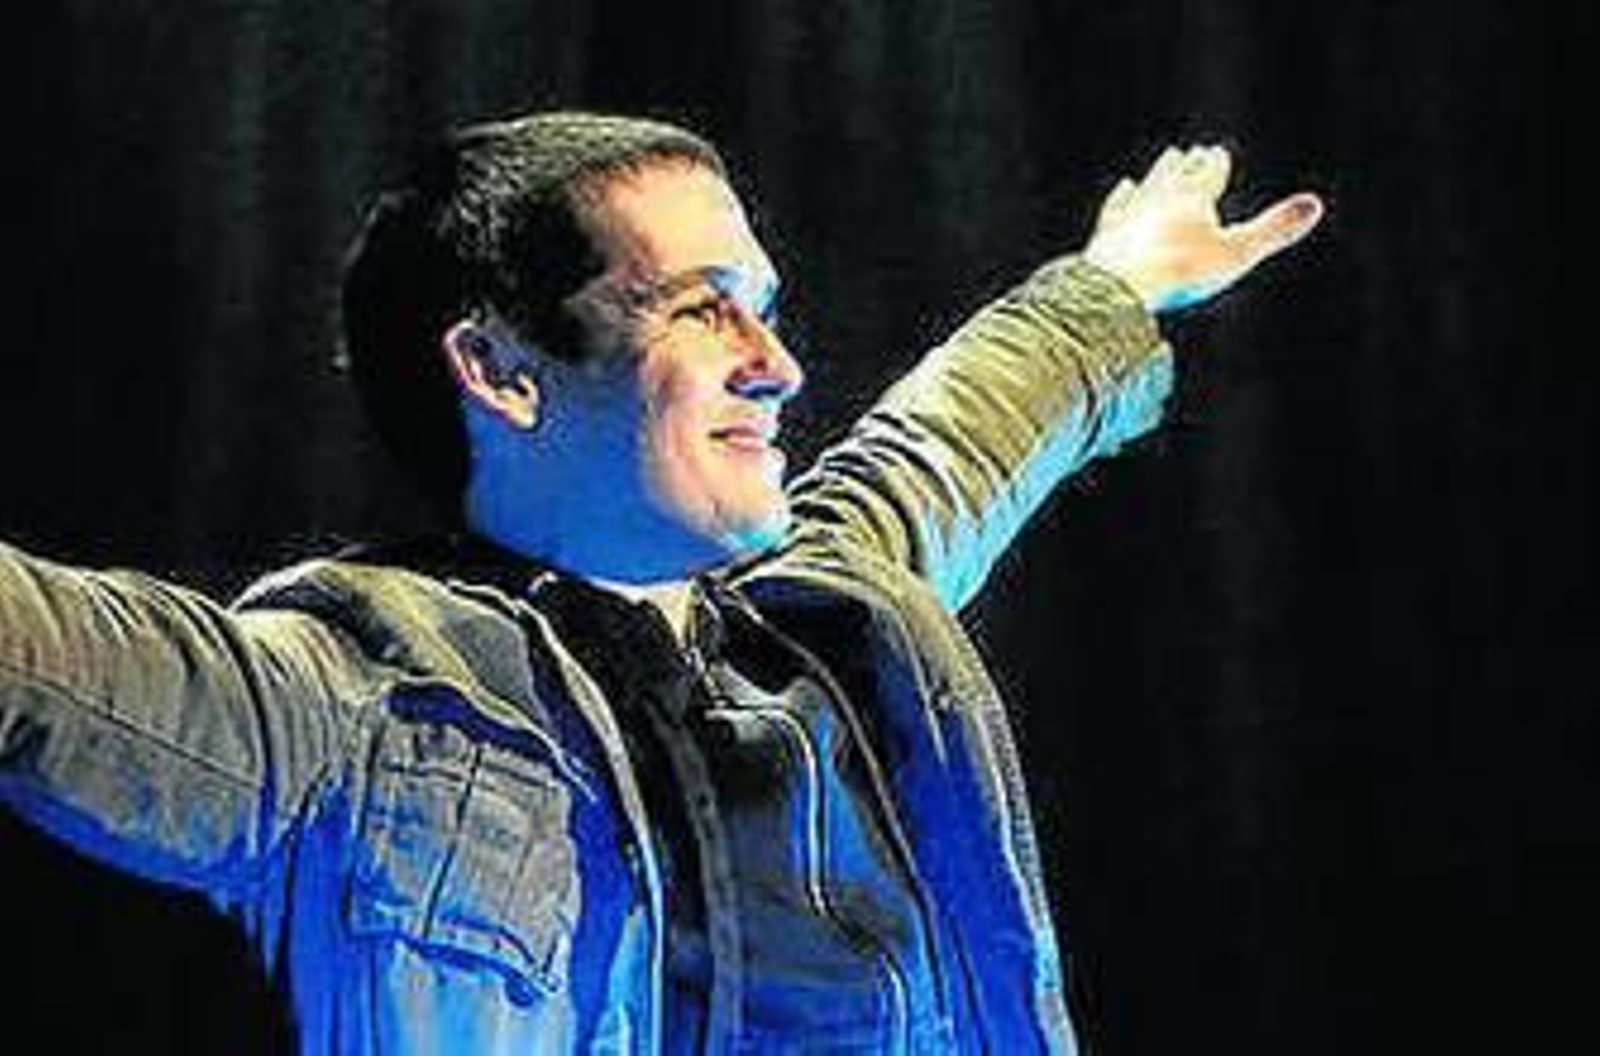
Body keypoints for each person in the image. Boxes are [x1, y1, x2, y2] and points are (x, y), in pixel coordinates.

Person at [0, 109, 1322, 1054]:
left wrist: (1118, 281)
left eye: (764, 307)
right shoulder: (344, 703)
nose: (776, 365)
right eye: (700, 307)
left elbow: (959, 430)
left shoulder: (829, 614)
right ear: (501, 370)